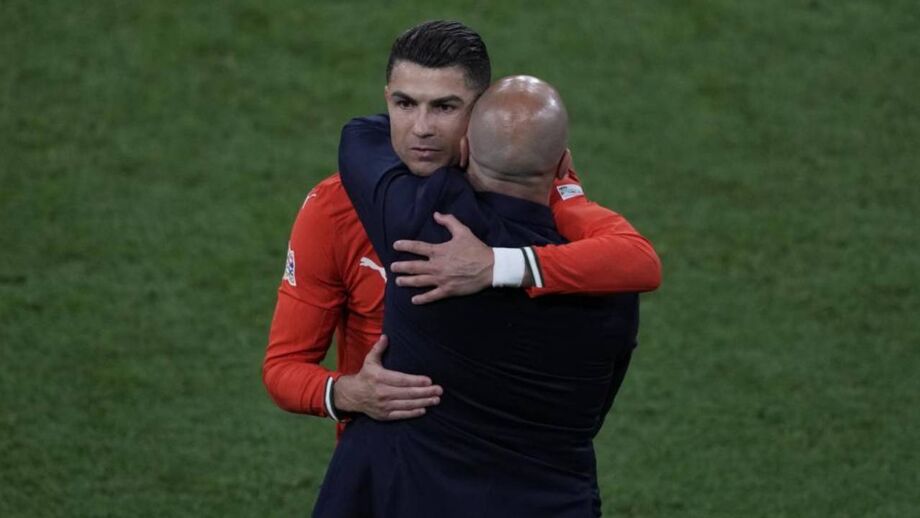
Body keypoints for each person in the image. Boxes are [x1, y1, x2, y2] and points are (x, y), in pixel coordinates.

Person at [262, 20, 660, 434]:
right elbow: (282, 368)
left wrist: (494, 264)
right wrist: (345, 393)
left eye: (444, 107)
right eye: (404, 104)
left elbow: (636, 262)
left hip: (502, 460)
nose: (422, 128)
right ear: (386, 100)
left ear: (480, 111)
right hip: (388, 465)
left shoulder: (540, 193)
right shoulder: (334, 207)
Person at [313, 76, 640, 517]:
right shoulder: (610, 280)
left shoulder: (424, 224)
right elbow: (594, 412)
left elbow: (358, 137)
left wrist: (435, 122)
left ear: (464, 151)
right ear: (564, 165)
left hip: (402, 494)